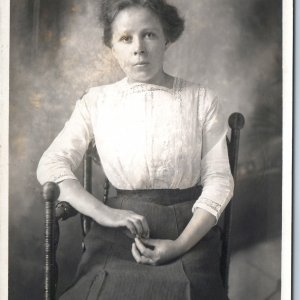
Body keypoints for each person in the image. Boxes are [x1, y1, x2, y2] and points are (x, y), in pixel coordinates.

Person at [37, 0, 234, 299]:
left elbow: (220, 180)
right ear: (112, 46)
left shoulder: (202, 100)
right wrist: (104, 213)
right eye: (126, 38)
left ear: (167, 38)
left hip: (189, 231)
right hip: (118, 232)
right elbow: (52, 164)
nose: (138, 48)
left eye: (149, 35)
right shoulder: (96, 102)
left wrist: (180, 244)